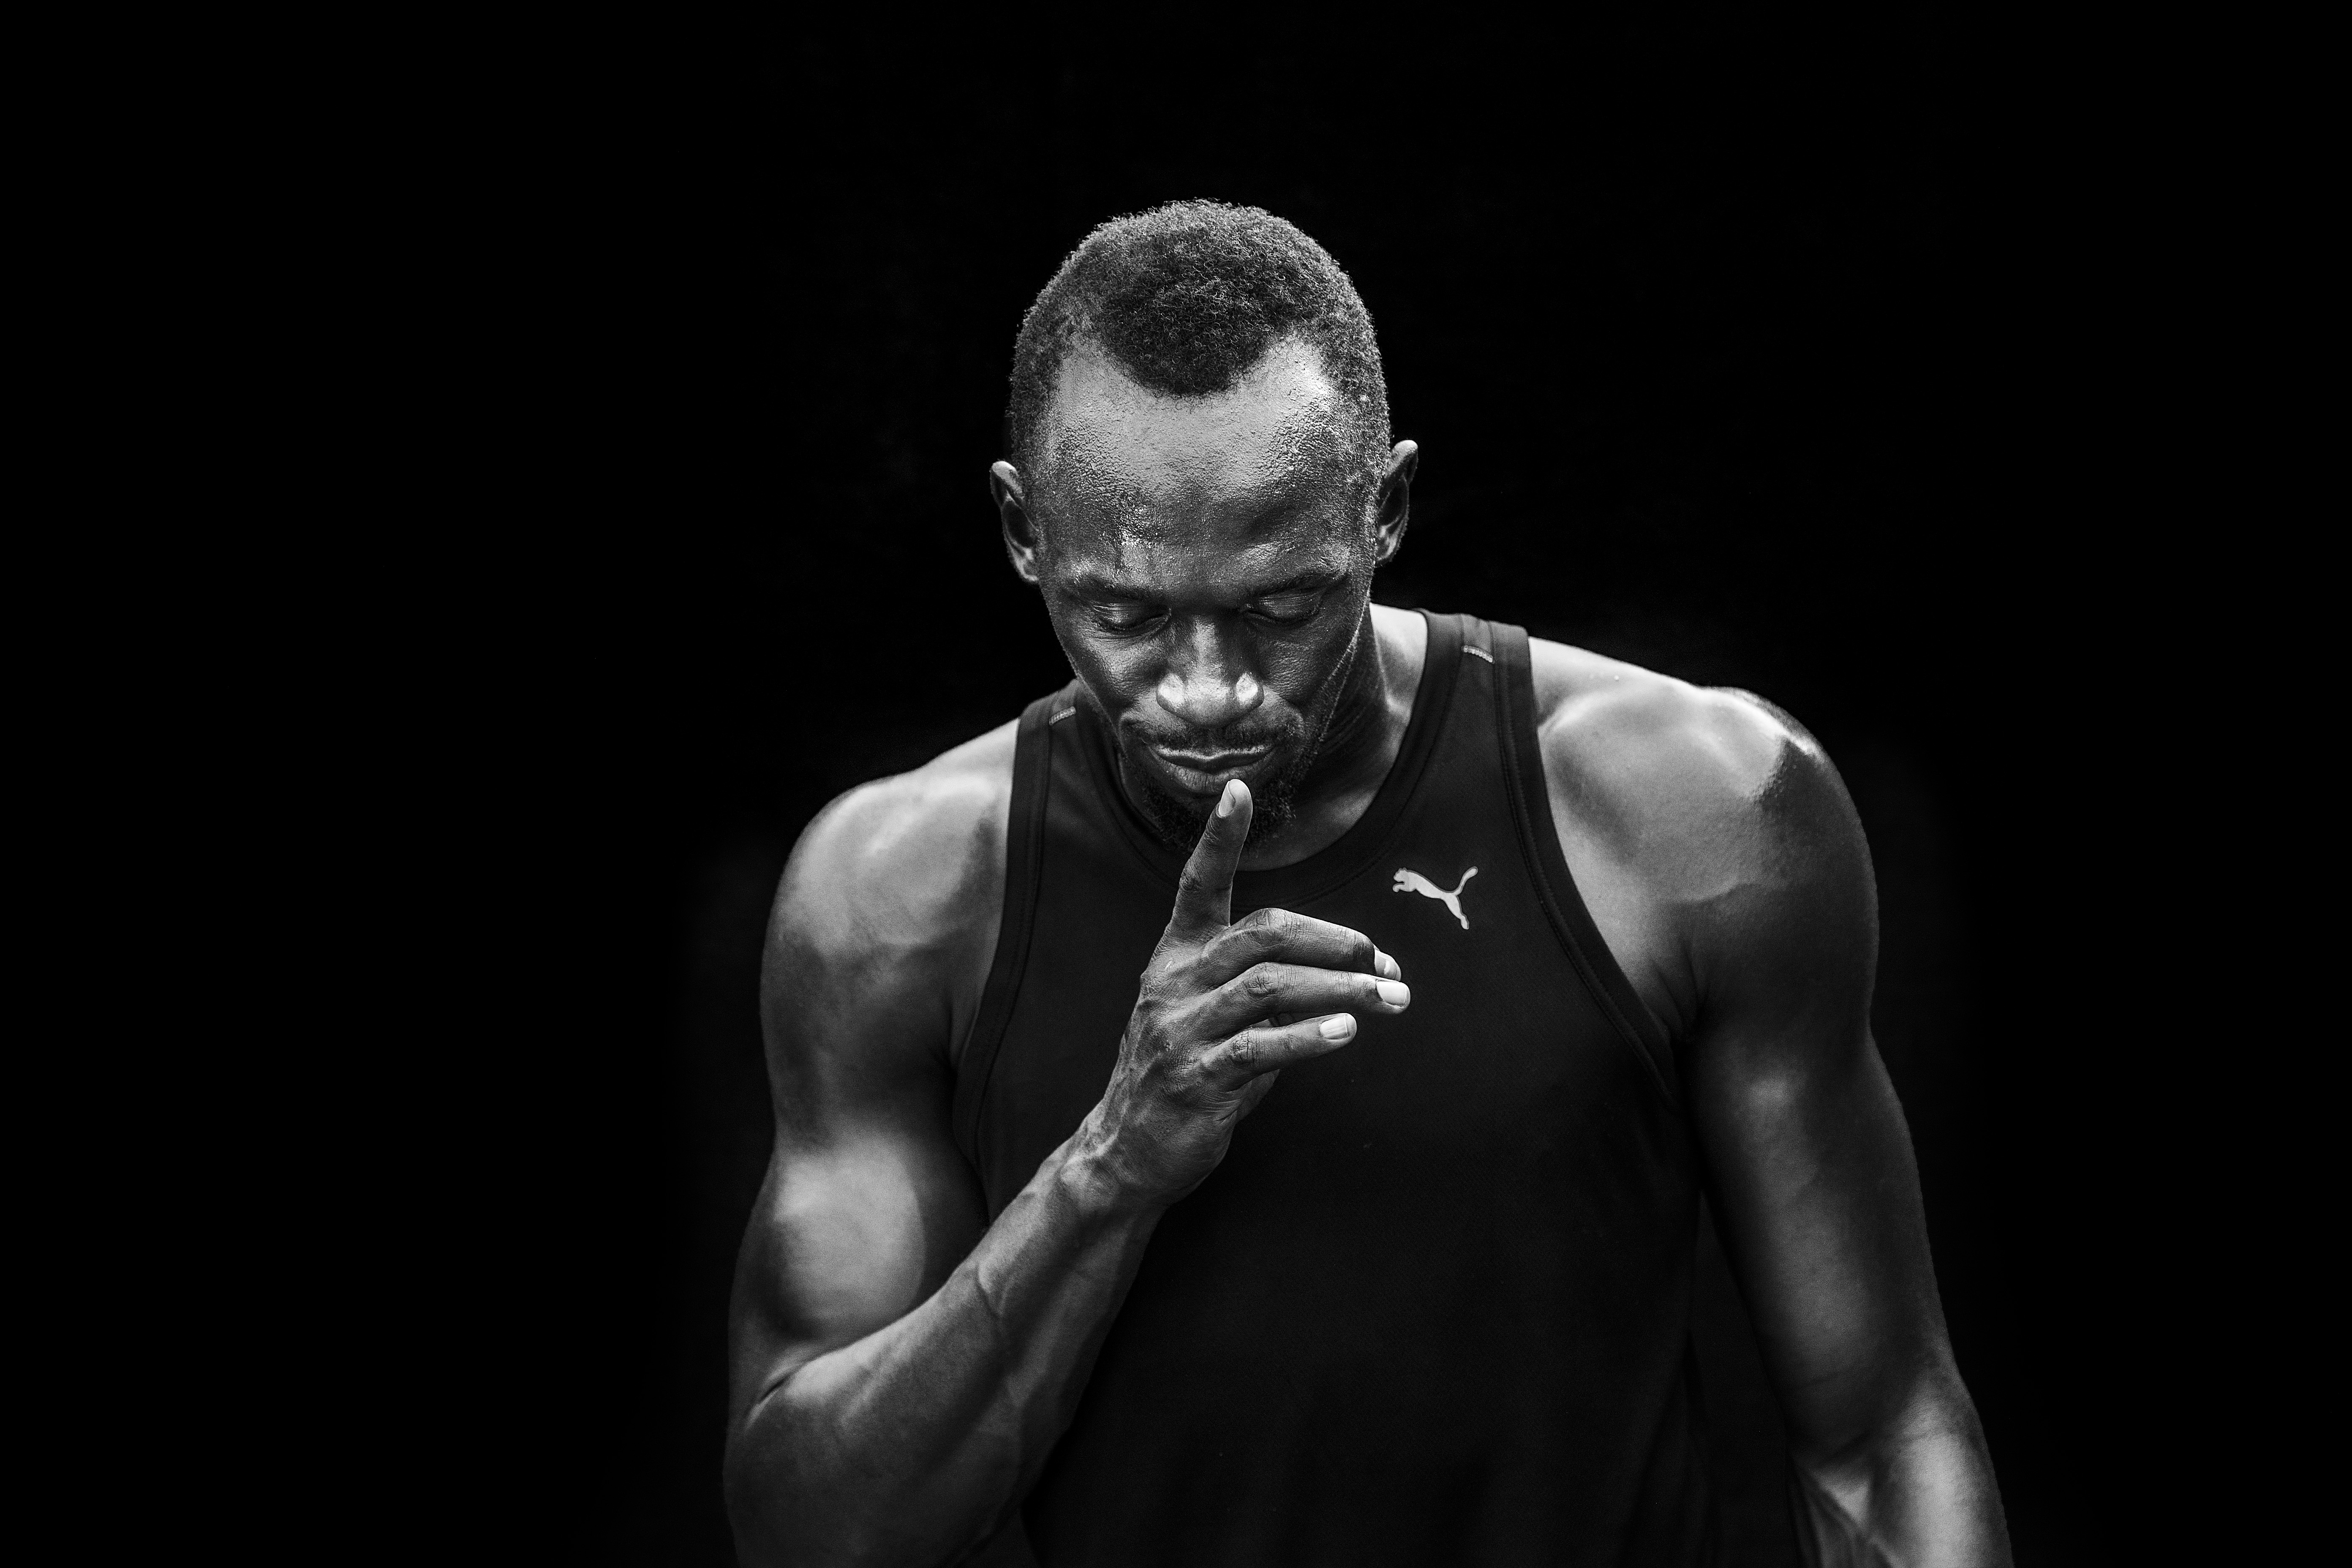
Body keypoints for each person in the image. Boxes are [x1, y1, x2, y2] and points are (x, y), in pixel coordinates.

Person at [724, 201, 2009, 1567]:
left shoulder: (1692, 808)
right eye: (1129, 614)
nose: (1209, 688)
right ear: (1021, 530)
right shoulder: (902, 895)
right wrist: (1110, 1167)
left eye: (1281, 606)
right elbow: (812, 1534)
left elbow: (1881, 1442)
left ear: (1384, 509)